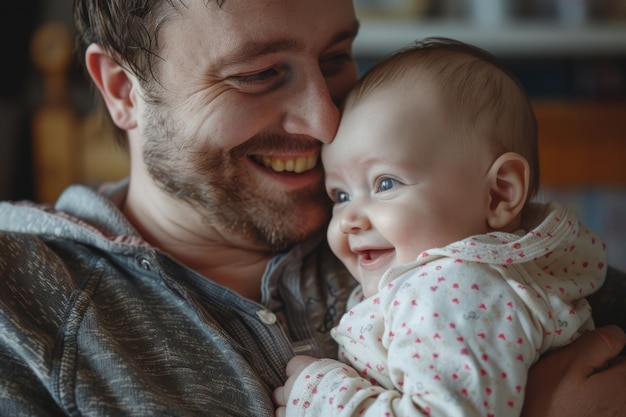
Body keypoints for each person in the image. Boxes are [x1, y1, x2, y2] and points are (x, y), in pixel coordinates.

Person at [0, 1, 625, 416]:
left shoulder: (438, 231)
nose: (326, 119)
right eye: (259, 74)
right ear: (120, 88)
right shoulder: (23, 304)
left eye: (334, 60)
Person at [273, 38, 610, 417]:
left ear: (499, 194)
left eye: (385, 184)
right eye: (340, 195)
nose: (349, 219)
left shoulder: (453, 290)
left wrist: (322, 399)